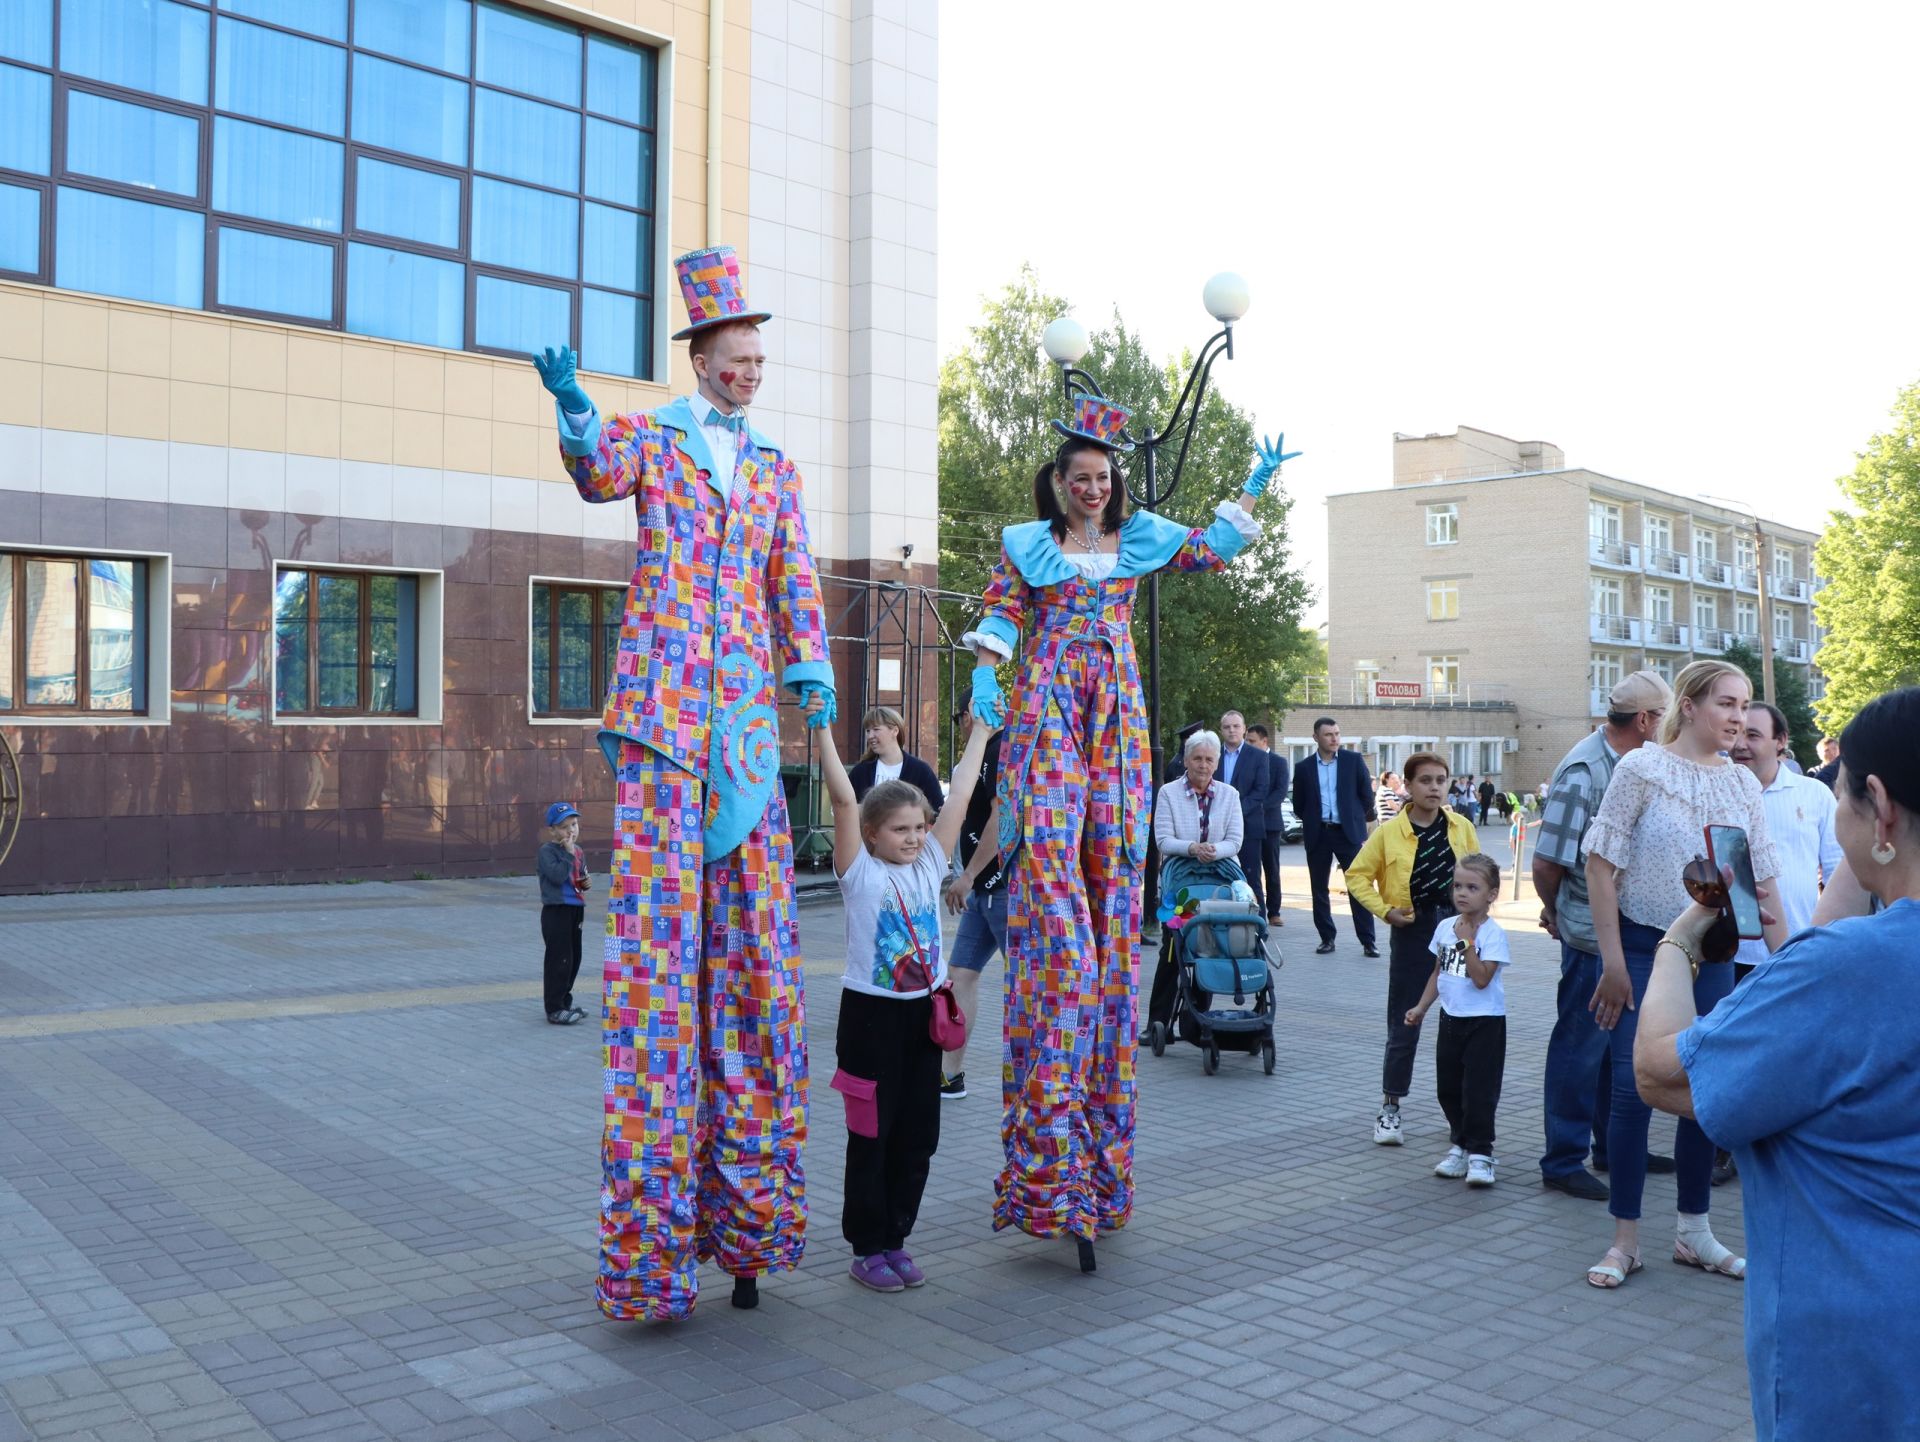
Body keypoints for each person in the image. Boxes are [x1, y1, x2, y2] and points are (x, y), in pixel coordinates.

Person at [532, 244, 836, 1320]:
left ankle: (750, 1229)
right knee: (662, 982)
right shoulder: (653, 441)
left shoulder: (777, 469)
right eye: (735, 357)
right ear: (699, 355)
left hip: (747, 734)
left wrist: (810, 667)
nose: (750, 371)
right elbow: (594, 468)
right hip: (663, 725)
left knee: (756, 965)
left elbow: (792, 573)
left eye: (760, 358)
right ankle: (653, 1261)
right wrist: (574, 404)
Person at [964, 395, 1290, 1270]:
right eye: (1084, 479)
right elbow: (999, 613)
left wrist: (1252, 488)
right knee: (1058, 864)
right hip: (1052, 706)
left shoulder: (1137, 539)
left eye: (1106, 479)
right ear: (1061, 487)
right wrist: (987, 677)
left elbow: (1210, 551)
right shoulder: (1030, 547)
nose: (1097, 489)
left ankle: (1096, 1166)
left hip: (1116, 712)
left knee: (1113, 863)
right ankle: (1055, 942)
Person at [1632, 686, 1920, 1442]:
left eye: (1844, 791)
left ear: (1880, 804)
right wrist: (1873, 864)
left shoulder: (1852, 972)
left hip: (1866, 1352)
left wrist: (1679, 943)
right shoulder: (1845, 969)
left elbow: (1664, 1072)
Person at [1581, 659, 1787, 1289]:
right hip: (1644, 949)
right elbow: (1598, 863)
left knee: (1704, 1091)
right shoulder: (1641, 766)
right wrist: (1613, 963)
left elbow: (1763, 882)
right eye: (1726, 703)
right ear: (1691, 705)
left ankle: (1694, 1233)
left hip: (1715, 957)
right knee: (1632, 1089)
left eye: (1746, 705)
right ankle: (1625, 1240)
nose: (1738, 717)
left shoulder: (1743, 784)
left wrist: (1788, 967)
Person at [814, 691, 991, 1293]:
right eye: (901, 829)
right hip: (868, 1018)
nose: (915, 838)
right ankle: (867, 1247)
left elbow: (962, 796)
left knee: (919, 1134)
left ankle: (897, 1237)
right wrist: (821, 731)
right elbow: (842, 796)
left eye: (919, 827)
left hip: (923, 1017)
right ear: (871, 832)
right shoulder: (857, 872)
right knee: (872, 1133)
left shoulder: (928, 865)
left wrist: (980, 736)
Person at [1532, 670, 1672, 1202]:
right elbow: (1547, 864)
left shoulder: (1636, 763)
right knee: (1579, 1047)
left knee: (1619, 1047)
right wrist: (1556, 916)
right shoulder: (1585, 772)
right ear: (1644, 721)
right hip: (1593, 937)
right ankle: (1562, 1159)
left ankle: (1613, 1147)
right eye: (1665, 717)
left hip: (1628, 930)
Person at [1715, 700, 1843, 1184]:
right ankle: (1724, 1145)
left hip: (1794, 948)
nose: (1742, 744)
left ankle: (1786, 1139)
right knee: (1731, 1050)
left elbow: (1836, 872)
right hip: (1728, 951)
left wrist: (1827, 943)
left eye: (1754, 735)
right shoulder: (1718, 791)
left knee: (1787, 1050)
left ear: (1780, 742)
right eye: (1738, 734)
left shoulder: (1813, 795)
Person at [1344, 751, 1477, 1145]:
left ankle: (1460, 1118)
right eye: (1425, 780)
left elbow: (1480, 875)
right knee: (1406, 1021)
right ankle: (1389, 1109)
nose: (1435, 787)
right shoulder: (1389, 833)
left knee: (1461, 1023)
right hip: (1414, 931)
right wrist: (1386, 912)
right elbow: (1356, 876)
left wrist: (1478, 922)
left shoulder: (1461, 828)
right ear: (1409, 785)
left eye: (1441, 780)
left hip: (1456, 930)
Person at [1403, 854, 1511, 1187]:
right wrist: (1421, 1007)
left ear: (1491, 894)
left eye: (1473, 887)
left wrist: (1466, 944)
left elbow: (1481, 979)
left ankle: (1481, 1155)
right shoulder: (1443, 928)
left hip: (1485, 1023)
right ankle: (1460, 1145)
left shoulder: (1493, 935)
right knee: (1448, 1089)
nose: (1462, 893)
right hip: (1450, 1019)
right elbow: (1438, 972)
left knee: (1478, 1091)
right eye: (1458, 886)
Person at [1144, 731, 1244, 1035]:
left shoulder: (1229, 794)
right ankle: (1157, 1022)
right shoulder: (1168, 793)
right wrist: (1192, 848)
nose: (1203, 765)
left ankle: (1194, 1020)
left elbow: (1235, 841)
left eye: (1209, 759)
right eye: (1197, 758)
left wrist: (1214, 850)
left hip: (1218, 878)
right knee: (1172, 951)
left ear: (1216, 763)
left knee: (1208, 947)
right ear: (1186, 760)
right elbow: (1163, 839)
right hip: (1180, 881)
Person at [939, 711, 1007, 1101]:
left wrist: (967, 876)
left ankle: (1036, 1070)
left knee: (1024, 980)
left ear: (969, 717)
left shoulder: (998, 749)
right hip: (982, 888)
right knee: (960, 974)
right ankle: (950, 1075)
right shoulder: (981, 754)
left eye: (958, 721)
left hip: (1002, 885)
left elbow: (1002, 817)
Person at [1293, 718, 1379, 958]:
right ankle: (1327, 939)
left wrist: (1352, 817)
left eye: (1337, 734)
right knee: (1319, 889)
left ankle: (1368, 941)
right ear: (1316, 738)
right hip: (1319, 834)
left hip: (1347, 834)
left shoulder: (1353, 761)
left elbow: (1366, 796)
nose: (1334, 738)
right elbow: (1299, 804)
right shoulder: (1304, 768)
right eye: (1328, 734)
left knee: (1358, 886)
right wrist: (1314, 819)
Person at [536, 802, 591, 1026]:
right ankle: (554, 1007)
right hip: (556, 910)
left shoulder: (578, 852)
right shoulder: (547, 852)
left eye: (574, 824)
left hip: (575, 910)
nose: (571, 831)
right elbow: (557, 876)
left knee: (573, 958)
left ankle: (565, 1002)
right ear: (553, 831)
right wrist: (568, 855)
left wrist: (586, 882)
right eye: (564, 827)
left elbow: (580, 879)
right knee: (558, 959)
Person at [1216, 711, 1272, 913]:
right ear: (1221, 730)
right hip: (1216, 827)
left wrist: (1234, 811)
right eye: (1227, 727)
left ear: (1244, 729)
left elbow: (1261, 790)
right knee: (1220, 878)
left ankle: (1259, 926)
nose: (1232, 730)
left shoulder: (1257, 756)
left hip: (1249, 827)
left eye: (1236, 726)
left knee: (1251, 879)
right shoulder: (1213, 754)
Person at [847, 705, 945, 817]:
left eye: (876, 730)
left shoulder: (920, 770)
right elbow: (844, 809)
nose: (870, 736)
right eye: (868, 731)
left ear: (895, 731)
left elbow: (937, 810)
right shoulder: (861, 772)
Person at [1246, 723, 1285, 926]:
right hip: (1249, 823)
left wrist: (1258, 806)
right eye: (1247, 741)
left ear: (1264, 741)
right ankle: (1253, 908)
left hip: (1269, 823)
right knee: (1252, 869)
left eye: (1252, 741)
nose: (1248, 745)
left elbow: (1280, 791)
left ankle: (1274, 911)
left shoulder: (1278, 762)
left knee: (1272, 869)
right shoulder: (1246, 761)